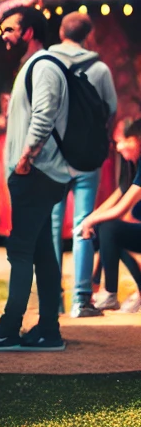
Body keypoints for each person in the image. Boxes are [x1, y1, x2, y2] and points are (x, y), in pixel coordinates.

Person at [0, 6, 72, 352]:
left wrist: (26, 159)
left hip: (37, 173)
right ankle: (48, 331)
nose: (4, 35)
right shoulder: (34, 67)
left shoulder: (43, 66)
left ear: (29, 32)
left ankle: (9, 329)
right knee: (42, 251)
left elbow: (45, 114)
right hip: (35, 173)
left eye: (10, 29)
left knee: (21, 249)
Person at [46, 13, 117, 317]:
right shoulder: (99, 68)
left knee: (52, 224)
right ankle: (81, 300)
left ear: (61, 31)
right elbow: (110, 109)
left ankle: (53, 299)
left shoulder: (45, 64)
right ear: (88, 35)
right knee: (84, 224)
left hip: (52, 157)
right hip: (87, 157)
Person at [81, 120, 141, 311]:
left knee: (109, 228)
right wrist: (89, 221)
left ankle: (108, 292)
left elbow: (121, 209)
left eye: (124, 140)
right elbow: (116, 198)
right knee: (105, 229)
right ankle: (97, 288)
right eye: (116, 142)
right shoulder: (133, 166)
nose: (119, 147)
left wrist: (90, 220)